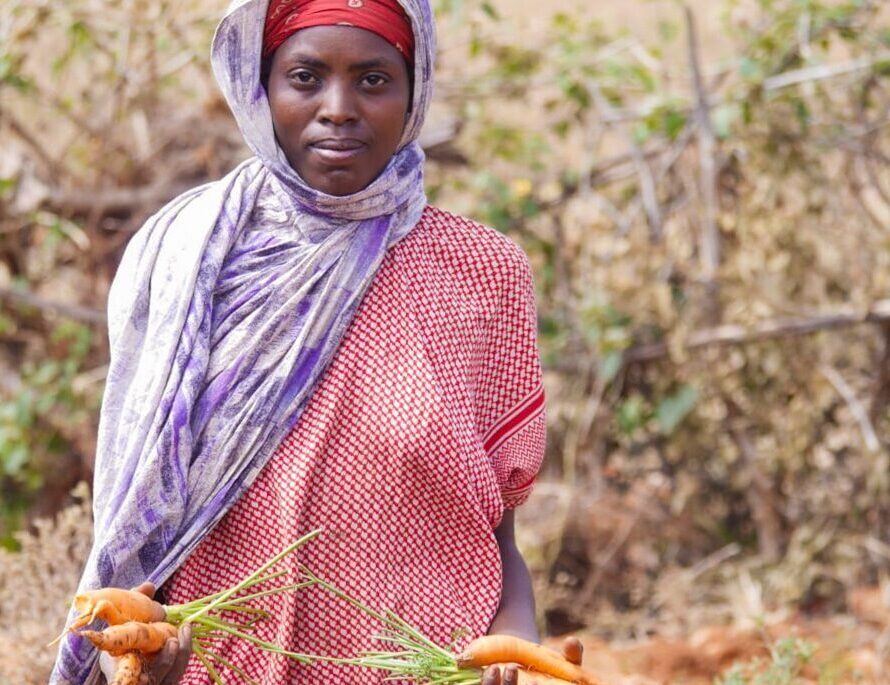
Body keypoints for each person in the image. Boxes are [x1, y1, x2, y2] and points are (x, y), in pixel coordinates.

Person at [51, 0, 582, 683]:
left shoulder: (481, 270)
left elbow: (498, 536)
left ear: (413, 90)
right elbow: (140, 529)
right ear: (260, 87)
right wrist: (148, 657)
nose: (339, 107)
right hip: (220, 670)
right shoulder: (190, 258)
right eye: (305, 77)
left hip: (422, 670)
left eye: (373, 79)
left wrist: (514, 641)